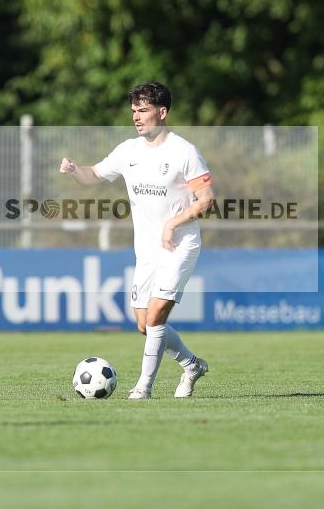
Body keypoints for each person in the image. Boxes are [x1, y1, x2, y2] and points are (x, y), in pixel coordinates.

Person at [60, 82, 213, 399]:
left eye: (143, 110)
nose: (136, 117)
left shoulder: (184, 152)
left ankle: (143, 388)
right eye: (133, 111)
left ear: (162, 111)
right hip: (146, 252)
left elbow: (206, 200)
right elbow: (94, 175)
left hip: (180, 245)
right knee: (144, 324)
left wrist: (173, 222)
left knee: (157, 315)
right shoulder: (128, 151)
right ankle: (192, 365)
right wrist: (75, 170)